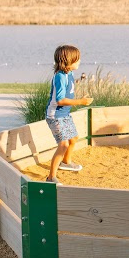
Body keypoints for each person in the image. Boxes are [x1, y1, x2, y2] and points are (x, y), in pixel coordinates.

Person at [45, 44, 93, 184]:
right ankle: (50, 177)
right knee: (63, 144)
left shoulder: (69, 73)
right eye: (77, 60)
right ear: (68, 61)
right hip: (55, 116)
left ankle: (66, 162)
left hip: (65, 114)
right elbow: (60, 100)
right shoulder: (60, 77)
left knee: (74, 138)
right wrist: (80, 102)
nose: (79, 62)